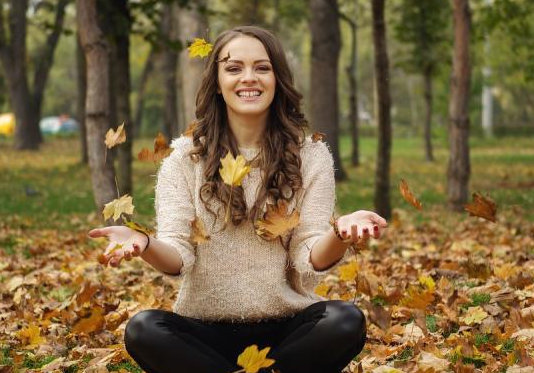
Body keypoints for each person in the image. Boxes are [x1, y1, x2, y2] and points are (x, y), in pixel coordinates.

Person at [88, 25, 388, 373]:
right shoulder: (184, 158)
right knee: (143, 329)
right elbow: (177, 256)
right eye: (233, 68)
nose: (249, 78)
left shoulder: (311, 155)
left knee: (345, 319)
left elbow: (309, 256)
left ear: (277, 78)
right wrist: (144, 241)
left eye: (262, 67)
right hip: (203, 334)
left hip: (288, 332)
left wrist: (340, 233)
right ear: (217, 81)